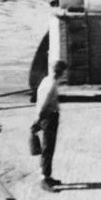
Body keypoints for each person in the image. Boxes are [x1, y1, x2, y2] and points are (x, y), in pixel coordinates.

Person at [32, 59, 66, 192]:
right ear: (60, 72)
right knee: (47, 148)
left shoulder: (47, 80)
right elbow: (43, 104)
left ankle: (47, 175)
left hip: (49, 117)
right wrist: (37, 121)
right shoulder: (51, 84)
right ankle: (44, 179)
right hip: (48, 118)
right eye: (62, 73)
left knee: (49, 148)